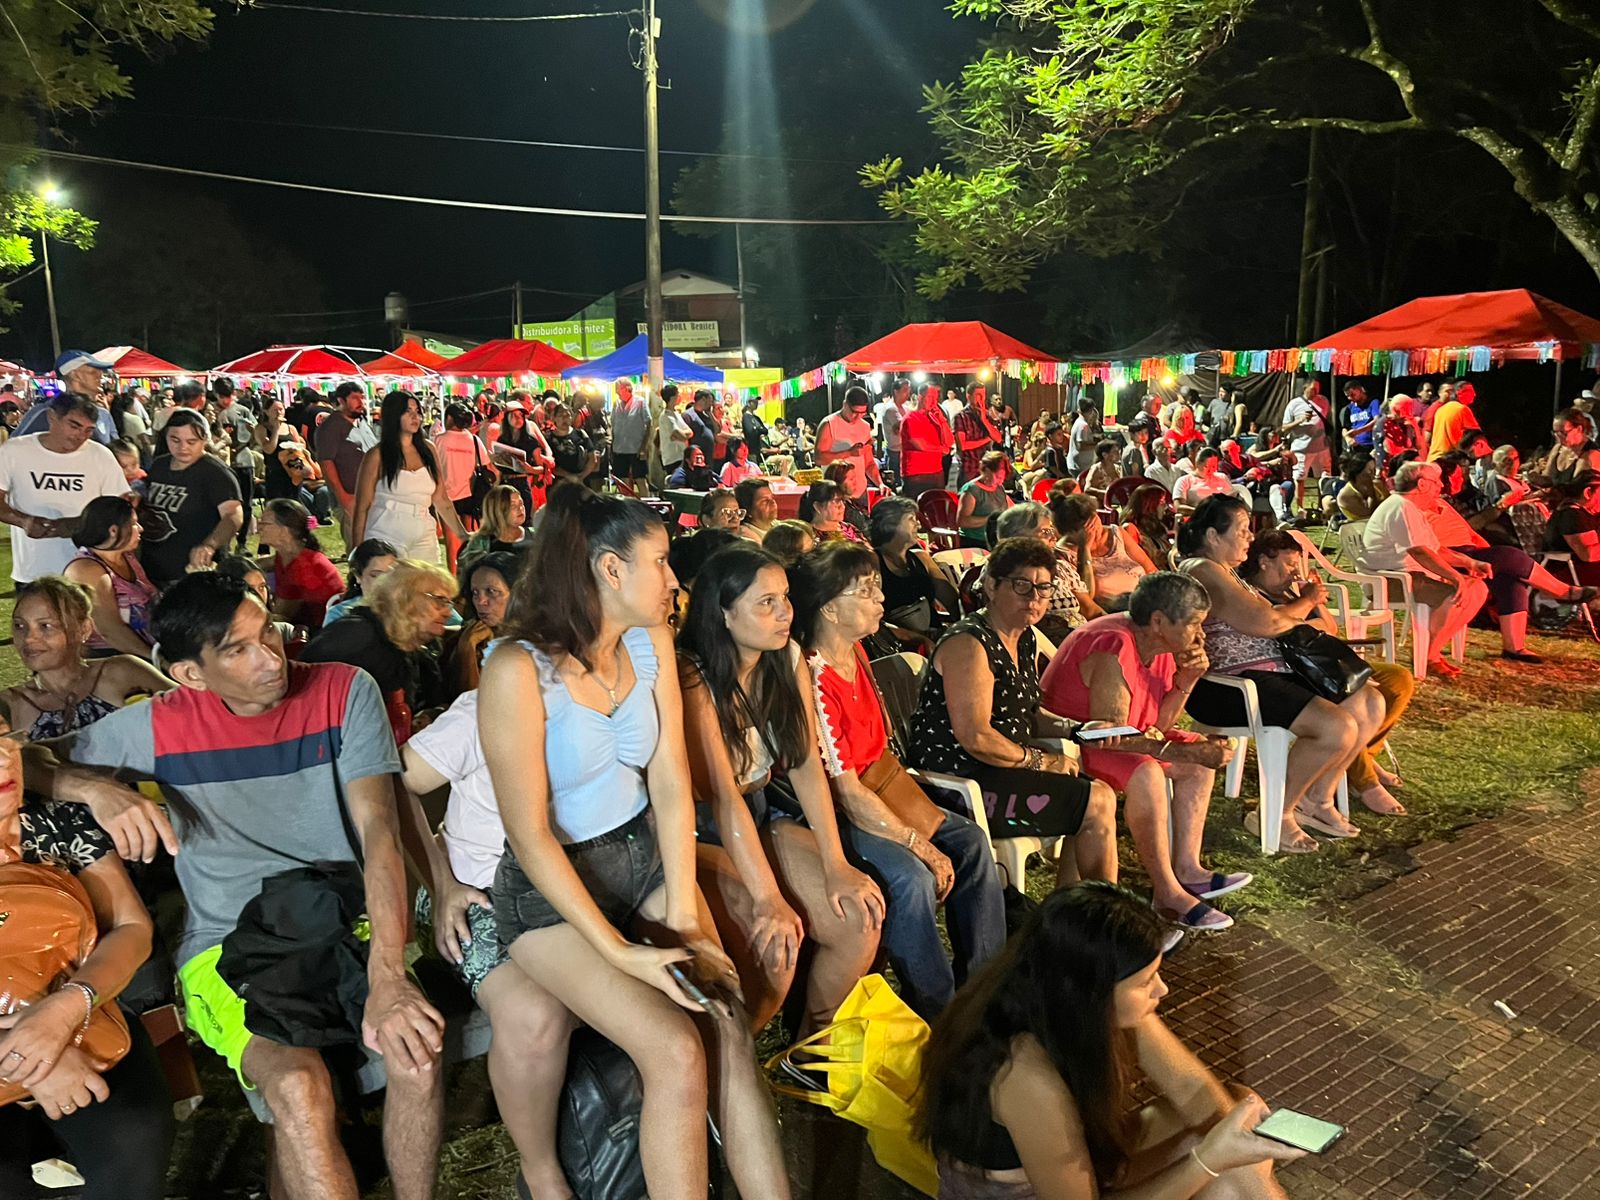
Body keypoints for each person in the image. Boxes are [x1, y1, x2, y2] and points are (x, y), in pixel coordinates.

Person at [27, 572, 448, 1200]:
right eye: (239, 649)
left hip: (343, 924)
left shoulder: (341, 691)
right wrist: (91, 786)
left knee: (417, 1056)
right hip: (225, 944)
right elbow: (28, 760)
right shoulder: (163, 725)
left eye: (267, 634)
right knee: (300, 1090)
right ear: (192, 674)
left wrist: (389, 975)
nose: (271, 659)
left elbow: (380, 834)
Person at [478, 486, 793, 1200]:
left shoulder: (649, 641)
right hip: (550, 896)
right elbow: (529, 837)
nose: (676, 580)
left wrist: (682, 906)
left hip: (642, 857)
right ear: (608, 570)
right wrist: (619, 950)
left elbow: (672, 781)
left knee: (727, 1020)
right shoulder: (516, 669)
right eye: (660, 562)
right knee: (677, 1052)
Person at [918, 882, 1302, 1200]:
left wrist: (1233, 1145)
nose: (1162, 990)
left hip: (1080, 1165)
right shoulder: (1023, 1072)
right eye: (1145, 982)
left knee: (1237, 1107)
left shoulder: (1070, 998)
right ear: (1090, 991)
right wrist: (1210, 1160)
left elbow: (1191, 1087)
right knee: (1225, 1177)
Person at [792, 541, 1007, 1017]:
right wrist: (917, 841)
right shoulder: (813, 674)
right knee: (911, 877)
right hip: (845, 808)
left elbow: (881, 755)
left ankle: (985, 980)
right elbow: (844, 789)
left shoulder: (859, 655)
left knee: (970, 842)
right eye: (865, 590)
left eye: (875, 585)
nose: (880, 597)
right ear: (829, 607)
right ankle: (937, 1005)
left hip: (886, 787)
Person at [677, 544, 884, 1031]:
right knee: (776, 945)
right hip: (699, 827)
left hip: (761, 809)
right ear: (723, 613)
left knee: (857, 918)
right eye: (765, 602)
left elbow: (807, 761)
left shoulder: (785, 656)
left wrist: (836, 865)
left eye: (785, 598)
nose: (785, 613)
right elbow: (723, 798)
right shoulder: (692, 674)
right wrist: (769, 898)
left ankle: (808, 1051)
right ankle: (737, 1063)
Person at [391, 687, 577, 1200]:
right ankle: (541, 1175)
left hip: (576, 888)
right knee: (535, 1013)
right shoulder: (485, 707)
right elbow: (393, 784)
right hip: (477, 891)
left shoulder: (615, 699)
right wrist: (440, 883)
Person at [0, 717, 176, 1200]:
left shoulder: (57, 821)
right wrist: (32, 1057)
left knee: (135, 1136)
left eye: (2, 738)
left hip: (87, 1022)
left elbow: (132, 929)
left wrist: (65, 1009)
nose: (1, 759)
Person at [1179, 495, 1387, 850]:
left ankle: (1317, 800)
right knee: (1335, 727)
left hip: (1272, 672)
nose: (1249, 537)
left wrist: (1294, 606)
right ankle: (1274, 813)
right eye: (1242, 530)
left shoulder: (1226, 572)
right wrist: (1306, 600)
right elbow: (1265, 621)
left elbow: (1278, 620)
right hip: (1232, 683)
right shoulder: (1203, 569)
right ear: (1214, 536)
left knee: (1369, 703)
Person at [908, 537, 1118, 885]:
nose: (1034, 598)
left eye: (1044, 588)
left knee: (1093, 798)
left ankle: (1075, 915)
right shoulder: (970, 643)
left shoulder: (1024, 636)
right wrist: (1041, 761)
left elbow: (1028, 712)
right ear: (991, 585)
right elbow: (976, 736)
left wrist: (1078, 729)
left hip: (1001, 769)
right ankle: (1099, 920)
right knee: (1094, 801)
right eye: (1022, 586)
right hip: (959, 782)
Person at [1042, 574, 1247, 932]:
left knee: (1197, 757)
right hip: (1075, 743)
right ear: (1158, 621)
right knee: (1150, 769)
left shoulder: (1159, 646)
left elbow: (1157, 722)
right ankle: (1167, 892)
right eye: (1195, 624)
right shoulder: (1113, 645)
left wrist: (1188, 678)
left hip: (1120, 740)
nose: (1202, 635)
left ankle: (1187, 868)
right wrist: (1180, 751)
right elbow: (1113, 735)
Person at [1240, 531, 1412, 815]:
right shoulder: (1251, 594)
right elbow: (1278, 627)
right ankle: (1364, 779)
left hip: (1324, 661)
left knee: (1398, 680)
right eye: (1289, 563)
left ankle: (1363, 756)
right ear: (1263, 562)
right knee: (1355, 699)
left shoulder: (1289, 593)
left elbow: (1329, 626)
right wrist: (1304, 608)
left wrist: (1312, 601)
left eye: (1297, 564)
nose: (1294, 571)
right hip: (1297, 669)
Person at [1428, 456, 1593, 660]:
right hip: (1451, 557)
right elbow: (1427, 544)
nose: (1460, 481)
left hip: (1471, 551)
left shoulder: (1443, 503)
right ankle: (1562, 591)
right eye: (1452, 478)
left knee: (1510, 576)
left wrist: (1486, 552)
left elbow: (1469, 531)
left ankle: (1514, 646)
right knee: (1509, 554)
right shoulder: (1414, 507)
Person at [1359, 461, 1490, 677]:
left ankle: (1432, 651)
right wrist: (1455, 577)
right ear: (1421, 485)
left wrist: (1469, 563)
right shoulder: (1401, 507)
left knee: (1477, 588)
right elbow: (1419, 552)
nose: (1440, 486)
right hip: (1392, 580)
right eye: (1436, 482)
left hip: (1410, 576)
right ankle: (1429, 656)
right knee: (1458, 593)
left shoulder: (1411, 509)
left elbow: (1435, 550)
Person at [2, 576, 173, 739]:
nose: (28, 638)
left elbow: (195, 706)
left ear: (83, 629)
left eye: (45, 626)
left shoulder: (122, 672)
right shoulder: (11, 705)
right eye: (19, 625)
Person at [302, 557, 454, 739]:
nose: (448, 612)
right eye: (439, 601)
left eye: (449, 603)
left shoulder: (418, 643)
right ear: (402, 597)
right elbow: (305, 697)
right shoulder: (355, 636)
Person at [0, 393, 129, 584]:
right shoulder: (15, 451)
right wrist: (24, 521)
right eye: (74, 426)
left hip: (87, 571)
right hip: (34, 572)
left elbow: (119, 506)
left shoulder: (100, 455)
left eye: (88, 430)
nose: (81, 436)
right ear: (52, 417)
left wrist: (79, 525)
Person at [351, 390, 468, 564]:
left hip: (423, 529)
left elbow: (441, 498)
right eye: (408, 411)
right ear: (394, 415)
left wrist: (463, 535)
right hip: (386, 530)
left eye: (418, 411)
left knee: (427, 584)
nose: (415, 417)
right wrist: (357, 553)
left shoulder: (428, 449)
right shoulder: (377, 455)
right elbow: (362, 507)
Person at [139, 410, 245, 588]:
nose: (183, 448)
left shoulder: (215, 473)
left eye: (191, 442)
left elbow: (233, 515)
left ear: (204, 440)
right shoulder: (159, 466)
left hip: (194, 573)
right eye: (175, 440)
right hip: (153, 567)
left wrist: (209, 545)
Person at [64, 495, 160, 658]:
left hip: (142, 651)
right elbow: (110, 630)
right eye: (133, 524)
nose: (140, 528)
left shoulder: (127, 557)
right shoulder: (86, 569)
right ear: (113, 531)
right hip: (109, 658)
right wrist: (158, 660)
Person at [998, 502, 1096, 642]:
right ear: (1018, 535)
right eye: (1045, 532)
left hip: (1082, 639)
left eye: (1052, 530)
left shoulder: (1059, 567)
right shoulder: (1003, 573)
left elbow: (1091, 609)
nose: (1054, 538)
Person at [872, 495, 960, 646]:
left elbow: (952, 602)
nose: (918, 525)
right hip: (899, 646)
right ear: (890, 524)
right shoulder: (873, 562)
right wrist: (918, 638)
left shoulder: (921, 558)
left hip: (933, 639)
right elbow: (872, 620)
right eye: (911, 519)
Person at [1054, 491, 1155, 612]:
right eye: (1088, 528)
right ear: (1071, 533)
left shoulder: (1117, 534)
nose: (1095, 530)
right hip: (1115, 612)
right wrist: (1085, 549)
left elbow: (1150, 569)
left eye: (1095, 521)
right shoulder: (1063, 554)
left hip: (1148, 601)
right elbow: (1087, 598)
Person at [257, 498, 345, 629]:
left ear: (284, 531)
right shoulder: (288, 555)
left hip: (322, 633)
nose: (259, 528)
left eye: (264, 523)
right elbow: (262, 563)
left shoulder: (303, 566)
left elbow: (281, 616)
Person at [314, 381, 378, 546]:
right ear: (341, 401)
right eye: (355, 398)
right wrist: (344, 498)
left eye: (362, 397)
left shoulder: (362, 422)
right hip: (351, 497)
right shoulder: (331, 427)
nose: (361, 402)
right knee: (359, 549)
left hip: (373, 495)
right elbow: (326, 462)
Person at [446, 550, 519, 695]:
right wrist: (467, 650)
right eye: (475, 593)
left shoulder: (539, 642)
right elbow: (468, 704)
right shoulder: (467, 638)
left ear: (517, 593)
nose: (481, 601)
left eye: (492, 591)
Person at [13, 352, 119, 443]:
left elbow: (117, 452)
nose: (100, 376)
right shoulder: (45, 412)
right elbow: (14, 448)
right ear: (74, 375)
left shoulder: (104, 414)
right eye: (93, 372)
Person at [323, 538, 401, 627]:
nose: (384, 582)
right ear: (358, 576)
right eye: (375, 575)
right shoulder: (339, 614)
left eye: (390, 575)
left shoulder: (408, 610)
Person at [816, 387, 883, 488]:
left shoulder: (865, 426)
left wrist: (880, 484)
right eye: (854, 412)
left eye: (862, 413)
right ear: (845, 404)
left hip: (859, 489)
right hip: (836, 491)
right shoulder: (829, 424)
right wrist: (849, 453)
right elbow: (819, 458)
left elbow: (869, 463)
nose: (858, 417)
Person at [1280, 378, 1330, 509]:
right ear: (1305, 388)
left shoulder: (1323, 401)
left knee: (1324, 477)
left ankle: (1321, 507)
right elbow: (1284, 428)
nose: (1316, 392)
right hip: (1302, 448)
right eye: (1313, 389)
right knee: (1300, 478)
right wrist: (1300, 420)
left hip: (1321, 447)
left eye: (1318, 389)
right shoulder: (1294, 404)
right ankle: (1300, 508)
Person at [901, 382, 956, 498]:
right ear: (920, 396)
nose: (934, 402)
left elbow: (950, 441)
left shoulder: (934, 418)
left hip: (936, 471)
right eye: (930, 397)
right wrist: (942, 449)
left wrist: (942, 420)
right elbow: (921, 445)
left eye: (936, 398)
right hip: (917, 473)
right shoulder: (911, 418)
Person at [1546, 470, 1600, 586]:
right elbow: (1588, 555)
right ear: (1588, 492)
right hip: (1567, 571)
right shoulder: (1570, 515)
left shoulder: (1585, 513)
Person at [459, 484, 530, 571]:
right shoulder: (481, 543)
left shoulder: (536, 534)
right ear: (497, 510)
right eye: (513, 506)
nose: (520, 508)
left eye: (521, 503)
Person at [958, 451, 1015, 546]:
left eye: (1002, 478)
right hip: (976, 541)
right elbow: (962, 521)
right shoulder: (971, 490)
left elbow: (1011, 508)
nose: (1000, 481)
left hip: (996, 539)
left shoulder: (999, 488)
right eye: (997, 477)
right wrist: (992, 519)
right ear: (987, 470)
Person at [1121, 482, 1176, 572]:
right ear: (1149, 504)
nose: (1165, 507)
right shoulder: (1131, 529)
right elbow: (1132, 561)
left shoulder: (1158, 526)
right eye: (1161, 502)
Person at [1171, 447, 1245, 513]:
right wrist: (1201, 512)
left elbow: (1232, 500)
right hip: (1197, 517)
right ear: (1198, 464)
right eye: (1207, 466)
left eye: (1214, 466)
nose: (1212, 470)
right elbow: (1178, 507)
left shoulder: (1221, 477)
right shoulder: (1184, 480)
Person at [1541, 406, 1600, 487]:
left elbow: (1576, 489)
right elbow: (1546, 479)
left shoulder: (1592, 454)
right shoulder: (1558, 448)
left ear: (1579, 429)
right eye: (1555, 433)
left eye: (1563, 433)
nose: (1558, 437)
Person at [955, 385, 1004, 483]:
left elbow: (998, 438)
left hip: (987, 468)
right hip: (969, 468)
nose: (981, 399)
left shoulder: (987, 415)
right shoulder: (960, 416)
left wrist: (984, 420)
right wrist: (986, 440)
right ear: (968, 396)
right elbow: (963, 445)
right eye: (978, 395)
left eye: (983, 395)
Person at [611, 379, 652, 492]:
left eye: (619, 390)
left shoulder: (640, 402)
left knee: (640, 479)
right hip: (619, 448)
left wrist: (644, 446)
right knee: (622, 480)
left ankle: (645, 505)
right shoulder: (616, 404)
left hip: (636, 448)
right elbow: (614, 426)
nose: (617, 393)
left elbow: (648, 423)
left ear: (627, 389)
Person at [1426, 381, 1480, 461]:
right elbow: (1475, 434)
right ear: (1460, 393)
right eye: (1470, 392)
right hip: (1449, 461)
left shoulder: (1441, 410)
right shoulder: (1462, 409)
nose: (1474, 395)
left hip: (1434, 459)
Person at [656, 383, 692, 480]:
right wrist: (683, 435)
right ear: (672, 397)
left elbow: (690, 432)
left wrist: (682, 435)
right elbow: (679, 434)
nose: (679, 397)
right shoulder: (666, 416)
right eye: (677, 395)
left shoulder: (676, 414)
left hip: (681, 455)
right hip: (672, 458)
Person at [875, 378, 909, 481]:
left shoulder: (905, 408)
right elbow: (904, 426)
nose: (907, 393)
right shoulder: (891, 408)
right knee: (897, 482)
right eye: (905, 390)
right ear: (895, 391)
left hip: (904, 451)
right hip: (895, 452)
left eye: (908, 390)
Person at [1335, 450, 1384, 521]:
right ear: (1358, 471)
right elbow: (1368, 514)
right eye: (1369, 470)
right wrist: (1372, 494)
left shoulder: (1378, 485)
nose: (1373, 474)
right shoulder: (1345, 495)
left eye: (1374, 470)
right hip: (1360, 528)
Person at [734, 476, 778, 543]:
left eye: (772, 498)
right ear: (748, 510)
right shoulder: (747, 538)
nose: (772, 502)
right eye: (764, 501)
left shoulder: (778, 525)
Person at [1342, 381, 1381, 450]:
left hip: (1371, 445)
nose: (1350, 398)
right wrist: (1347, 438)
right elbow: (1345, 428)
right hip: (1355, 447)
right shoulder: (1349, 408)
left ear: (1361, 390)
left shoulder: (1373, 402)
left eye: (1352, 394)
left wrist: (1358, 431)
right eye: (1347, 396)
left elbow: (1377, 422)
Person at [1069, 402, 1103, 474]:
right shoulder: (1082, 425)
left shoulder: (1080, 422)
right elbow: (1081, 446)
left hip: (1081, 465)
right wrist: (1098, 444)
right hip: (1080, 466)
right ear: (1090, 412)